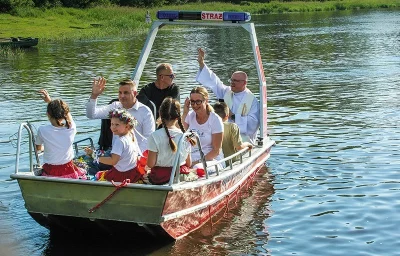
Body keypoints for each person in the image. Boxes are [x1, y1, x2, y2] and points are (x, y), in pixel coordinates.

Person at [196, 48, 260, 144]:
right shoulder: (226, 91)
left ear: (245, 83)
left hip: (243, 139)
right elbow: (214, 81)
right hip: (222, 133)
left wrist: (233, 116)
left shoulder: (252, 100)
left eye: (236, 81)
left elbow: (253, 124)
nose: (232, 83)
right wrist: (201, 64)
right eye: (231, 80)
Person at [86, 77, 155, 153]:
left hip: (136, 155)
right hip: (115, 154)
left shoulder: (145, 112)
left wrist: (136, 155)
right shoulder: (115, 106)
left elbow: (149, 138)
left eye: (126, 93)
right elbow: (91, 115)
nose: (122, 96)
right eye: (120, 92)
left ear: (135, 93)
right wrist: (94, 96)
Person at [35, 89, 86, 179]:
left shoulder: (42, 130)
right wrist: (50, 101)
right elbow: (68, 115)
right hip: (68, 169)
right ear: (63, 114)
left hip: (50, 170)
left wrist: (44, 148)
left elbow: (38, 149)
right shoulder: (71, 128)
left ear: (47, 114)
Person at [147, 97, 195, 185]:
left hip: (160, 177)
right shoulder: (185, 135)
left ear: (160, 114)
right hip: (180, 176)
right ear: (178, 117)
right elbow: (189, 163)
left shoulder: (154, 136)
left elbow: (150, 164)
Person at [94, 109, 143, 183]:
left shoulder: (120, 141)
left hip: (122, 175)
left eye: (117, 125)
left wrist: (95, 156)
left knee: (98, 175)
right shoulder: (131, 135)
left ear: (127, 126)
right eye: (112, 124)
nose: (113, 127)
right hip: (132, 172)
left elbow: (113, 161)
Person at [182, 87, 224, 171]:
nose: (195, 105)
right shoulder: (190, 116)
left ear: (206, 101)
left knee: (197, 168)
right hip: (191, 158)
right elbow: (181, 134)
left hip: (211, 160)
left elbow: (216, 151)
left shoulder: (215, 120)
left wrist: (197, 162)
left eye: (198, 101)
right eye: (192, 102)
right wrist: (185, 111)